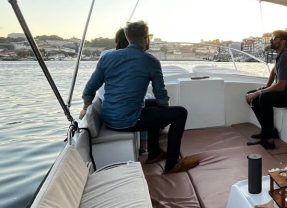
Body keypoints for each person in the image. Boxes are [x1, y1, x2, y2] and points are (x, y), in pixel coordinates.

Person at [80, 21, 198, 173]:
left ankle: (155, 152)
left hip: (108, 118)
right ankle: (172, 164)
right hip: (127, 121)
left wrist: (86, 107)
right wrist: (164, 113)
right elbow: (161, 95)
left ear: (128, 37)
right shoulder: (150, 61)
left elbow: (89, 90)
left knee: (153, 105)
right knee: (180, 113)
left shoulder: (107, 58)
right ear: (146, 38)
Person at [245, 30, 287, 149]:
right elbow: (274, 71)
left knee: (264, 97)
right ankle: (269, 131)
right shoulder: (281, 54)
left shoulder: (286, 57)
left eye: (274, 38)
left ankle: (268, 140)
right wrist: (266, 87)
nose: (271, 40)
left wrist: (260, 92)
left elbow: (281, 85)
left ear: (283, 41)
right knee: (252, 95)